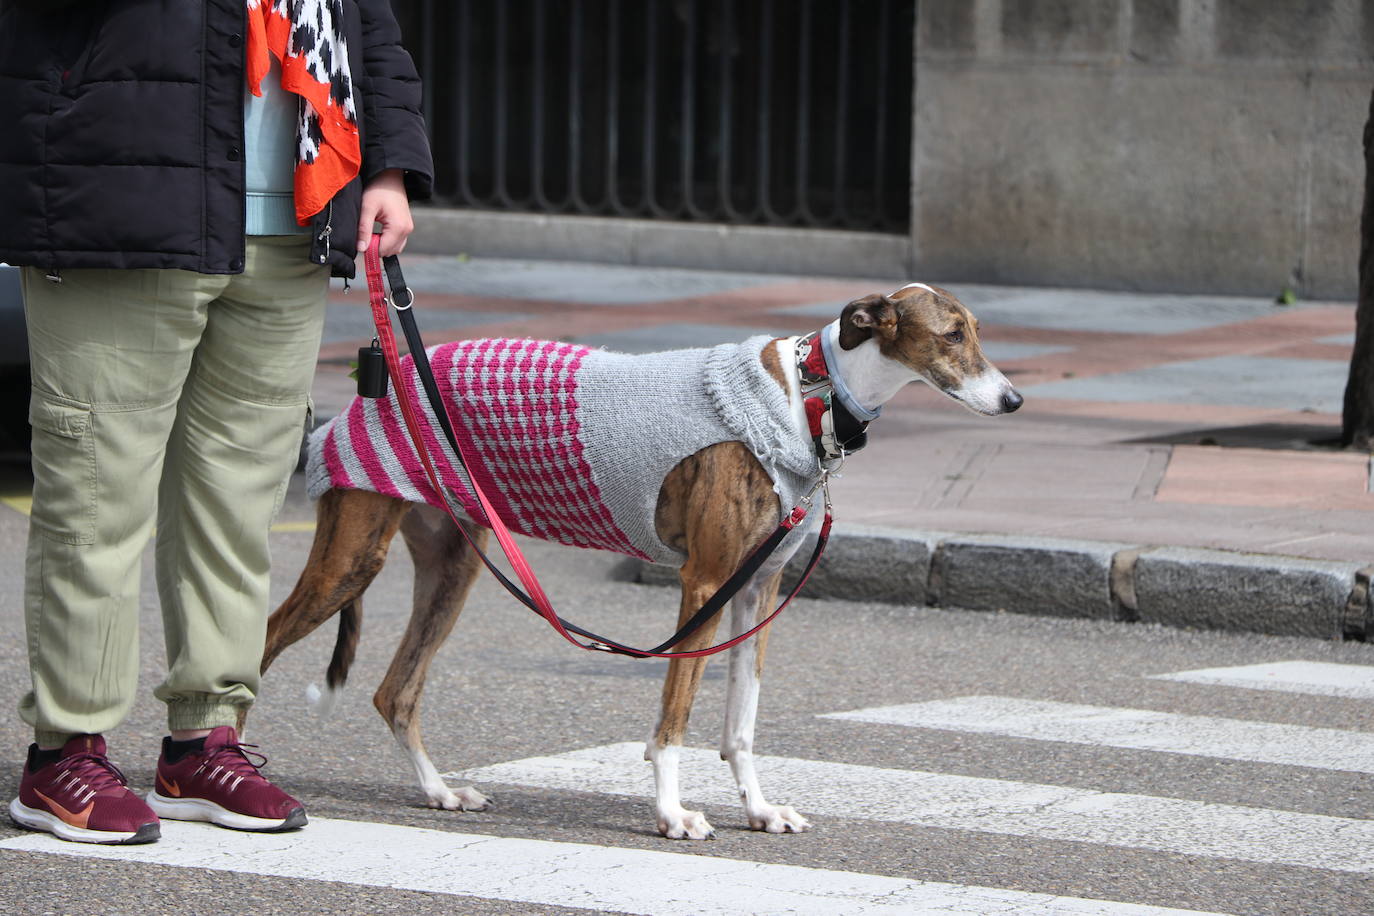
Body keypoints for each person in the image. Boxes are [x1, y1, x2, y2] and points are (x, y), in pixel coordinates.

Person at [0, 0, 432, 844]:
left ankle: (202, 741)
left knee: (237, 498)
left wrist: (387, 166)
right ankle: (64, 753)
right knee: (99, 490)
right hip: (119, 186)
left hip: (294, 208)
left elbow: (364, 21)